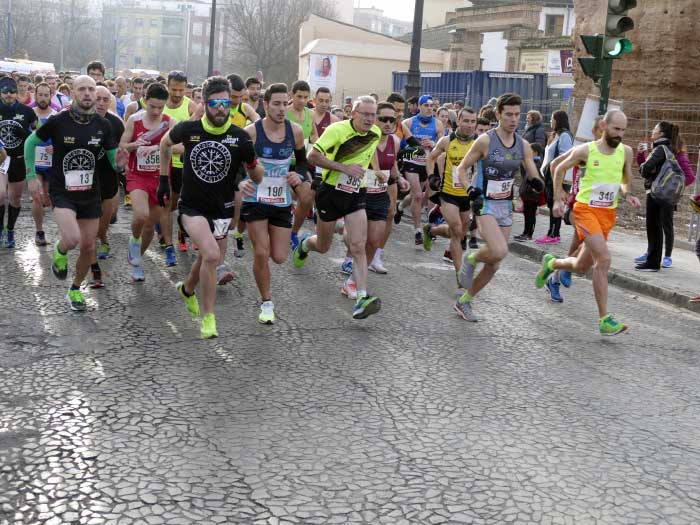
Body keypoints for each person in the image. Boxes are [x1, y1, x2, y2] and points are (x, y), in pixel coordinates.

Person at [158, 76, 263, 339]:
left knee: (209, 256)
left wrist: (254, 169)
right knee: (213, 256)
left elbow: (257, 175)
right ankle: (209, 317)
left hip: (222, 208)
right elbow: (164, 144)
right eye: (215, 103)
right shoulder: (189, 129)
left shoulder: (240, 137)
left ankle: (187, 290)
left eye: (225, 103)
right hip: (191, 207)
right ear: (204, 104)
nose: (221, 108)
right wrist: (163, 179)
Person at [535, 109, 642, 335]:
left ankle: (551, 264)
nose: (619, 134)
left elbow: (624, 179)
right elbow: (557, 167)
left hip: (607, 214)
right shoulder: (587, 150)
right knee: (603, 259)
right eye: (616, 129)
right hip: (585, 211)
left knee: (582, 266)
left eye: (623, 130)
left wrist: (627, 194)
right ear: (604, 126)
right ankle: (604, 319)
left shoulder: (626, 152)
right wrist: (557, 197)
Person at [24, 75, 120, 311]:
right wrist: (30, 177)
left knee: (89, 247)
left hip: (90, 193)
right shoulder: (58, 121)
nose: (88, 93)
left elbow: (113, 160)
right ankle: (60, 250)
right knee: (73, 238)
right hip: (62, 192)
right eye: (82, 89)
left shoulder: (103, 125)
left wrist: (121, 163)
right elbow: (30, 143)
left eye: (91, 89)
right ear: (73, 93)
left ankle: (75, 289)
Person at [453, 93, 544, 322]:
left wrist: (539, 184)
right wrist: (470, 191)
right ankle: (471, 258)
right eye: (509, 115)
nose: (514, 119)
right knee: (500, 250)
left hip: (505, 204)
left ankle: (465, 301)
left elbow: (532, 173)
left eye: (517, 115)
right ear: (498, 115)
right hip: (484, 202)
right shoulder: (485, 140)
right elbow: (462, 170)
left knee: (494, 263)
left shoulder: (522, 145)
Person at [293, 95, 382, 319]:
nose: (370, 119)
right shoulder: (336, 130)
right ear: (354, 113)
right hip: (330, 192)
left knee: (358, 245)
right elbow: (313, 156)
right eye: (366, 114)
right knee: (323, 246)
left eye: (373, 115)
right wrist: (343, 168)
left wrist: (375, 173)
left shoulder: (376, 133)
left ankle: (362, 296)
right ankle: (305, 244)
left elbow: (365, 158)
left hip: (355, 193)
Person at [241, 83, 305, 324]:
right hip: (255, 197)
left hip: (281, 200)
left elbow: (301, 163)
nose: (281, 109)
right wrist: (240, 184)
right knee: (261, 251)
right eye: (275, 104)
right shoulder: (251, 132)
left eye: (284, 104)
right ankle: (266, 302)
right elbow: (236, 166)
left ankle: (263, 266)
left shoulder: (295, 131)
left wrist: (298, 175)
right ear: (265, 104)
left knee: (278, 256)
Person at [341, 102, 408, 295]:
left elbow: (392, 164)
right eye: (383, 119)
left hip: (379, 195)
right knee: (357, 241)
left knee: (373, 241)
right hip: (358, 194)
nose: (388, 123)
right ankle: (345, 235)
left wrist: (400, 178)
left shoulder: (394, 141)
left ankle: (352, 281)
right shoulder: (361, 139)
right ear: (374, 119)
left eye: (392, 120)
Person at [121, 82, 176, 282]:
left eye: (160, 107)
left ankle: (136, 262)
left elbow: (181, 148)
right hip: (138, 176)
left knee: (150, 226)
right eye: (152, 106)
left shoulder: (170, 122)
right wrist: (135, 145)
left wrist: (158, 148)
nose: (156, 111)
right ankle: (134, 240)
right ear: (145, 101)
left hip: (160, 177)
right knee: (141, 215)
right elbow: (122, 145)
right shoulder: (134, 121)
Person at [423, 107, 478, 283]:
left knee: (461, 233)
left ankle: (431, 230)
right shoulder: (447, 141)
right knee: (456, 229)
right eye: (466, 121)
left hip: (466, 195)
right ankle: (460, 274)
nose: (469, 125)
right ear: (459, 121)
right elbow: (431, 158)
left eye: (473, 121)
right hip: (448, 194)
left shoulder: (478, 144)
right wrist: (431, 176)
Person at [634, 121, 691, 271]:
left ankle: (654, 262)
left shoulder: (660, 149)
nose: (652, 131)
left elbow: (645, 169)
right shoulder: (667, 149)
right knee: (656, 227)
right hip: (663, 193)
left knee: (655, 227)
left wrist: (644, 169)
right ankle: (653, 260)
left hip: (657, 193)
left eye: (655, 129)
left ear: (661, 134)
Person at [90, 85, 125, 288]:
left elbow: (123, 147)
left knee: (103, 223)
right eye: (98, 99)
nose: (102, 103)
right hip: (87, 180)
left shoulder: (116, 123)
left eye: (106, 100)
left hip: (109, 179)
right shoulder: (80, 120)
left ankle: (104, 240)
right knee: (90, 226)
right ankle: (94, 267)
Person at [397, 94, 444, 245]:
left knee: (419, 196)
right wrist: (413, 148)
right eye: (426, 105)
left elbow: (442, 145)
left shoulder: (438, 125)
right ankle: (417, 230)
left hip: (427, 163)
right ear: (419, 107)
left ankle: (401, 206)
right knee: (417, 195)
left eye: (431, 106)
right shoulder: (408, 122)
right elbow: (401, 145)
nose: (430, 108)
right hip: (411, 162)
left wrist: (433, 143)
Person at [161, 70, 197, 261]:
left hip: (183, 166)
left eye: (181, 90)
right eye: (174, 89)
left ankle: (181, 231)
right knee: (166, 204)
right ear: (167, 86)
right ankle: (168, 246)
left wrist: (172, 147)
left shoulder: (191, 107)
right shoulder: (160, 106)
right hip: (162, 165)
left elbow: (197, 138)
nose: (177, 94)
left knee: (178, 204)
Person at [0, 76, 38, 248]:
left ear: (17, 93)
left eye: (12, 91)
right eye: (5, 91)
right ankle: (0, 229)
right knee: (0, 194)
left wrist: (22, 132)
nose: (9, 95)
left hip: (19, 160)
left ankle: (10, 230)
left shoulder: (27, 112)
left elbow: (36, 137)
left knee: (15, 198)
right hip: (1, 159)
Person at [536, 110, 573, 244]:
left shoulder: (565, 136)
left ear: (558, 120)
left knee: (555, 205)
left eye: (552, 119)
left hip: (557, 177)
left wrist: (554, 169)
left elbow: (565, 156)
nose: (551, 121)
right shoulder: (555, 135)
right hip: (549, 176)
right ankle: (552, 233)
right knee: (552, 204)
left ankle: (553, 234)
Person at [30, 82, 58, 247]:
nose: (43, 98)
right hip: (34, 162)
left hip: (51, 163)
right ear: (35, 95)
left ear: (50, 95)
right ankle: (39, 231)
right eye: (40, 95)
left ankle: (61, 230)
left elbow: (62, 139)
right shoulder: (30, 114)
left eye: (46, 95)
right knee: (37, 196)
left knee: (50, 198)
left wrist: (54, 147)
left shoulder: (56, 116)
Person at [514, 142, 545, 242]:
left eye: (530, 151)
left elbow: (538, 180)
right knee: (527, 214)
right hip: (528, 194)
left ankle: (529, 234)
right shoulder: (531, 163)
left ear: (535, 153)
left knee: (530, 215)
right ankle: (525, 232)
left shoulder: (537, 164)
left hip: (532, 195)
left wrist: (533, 189)